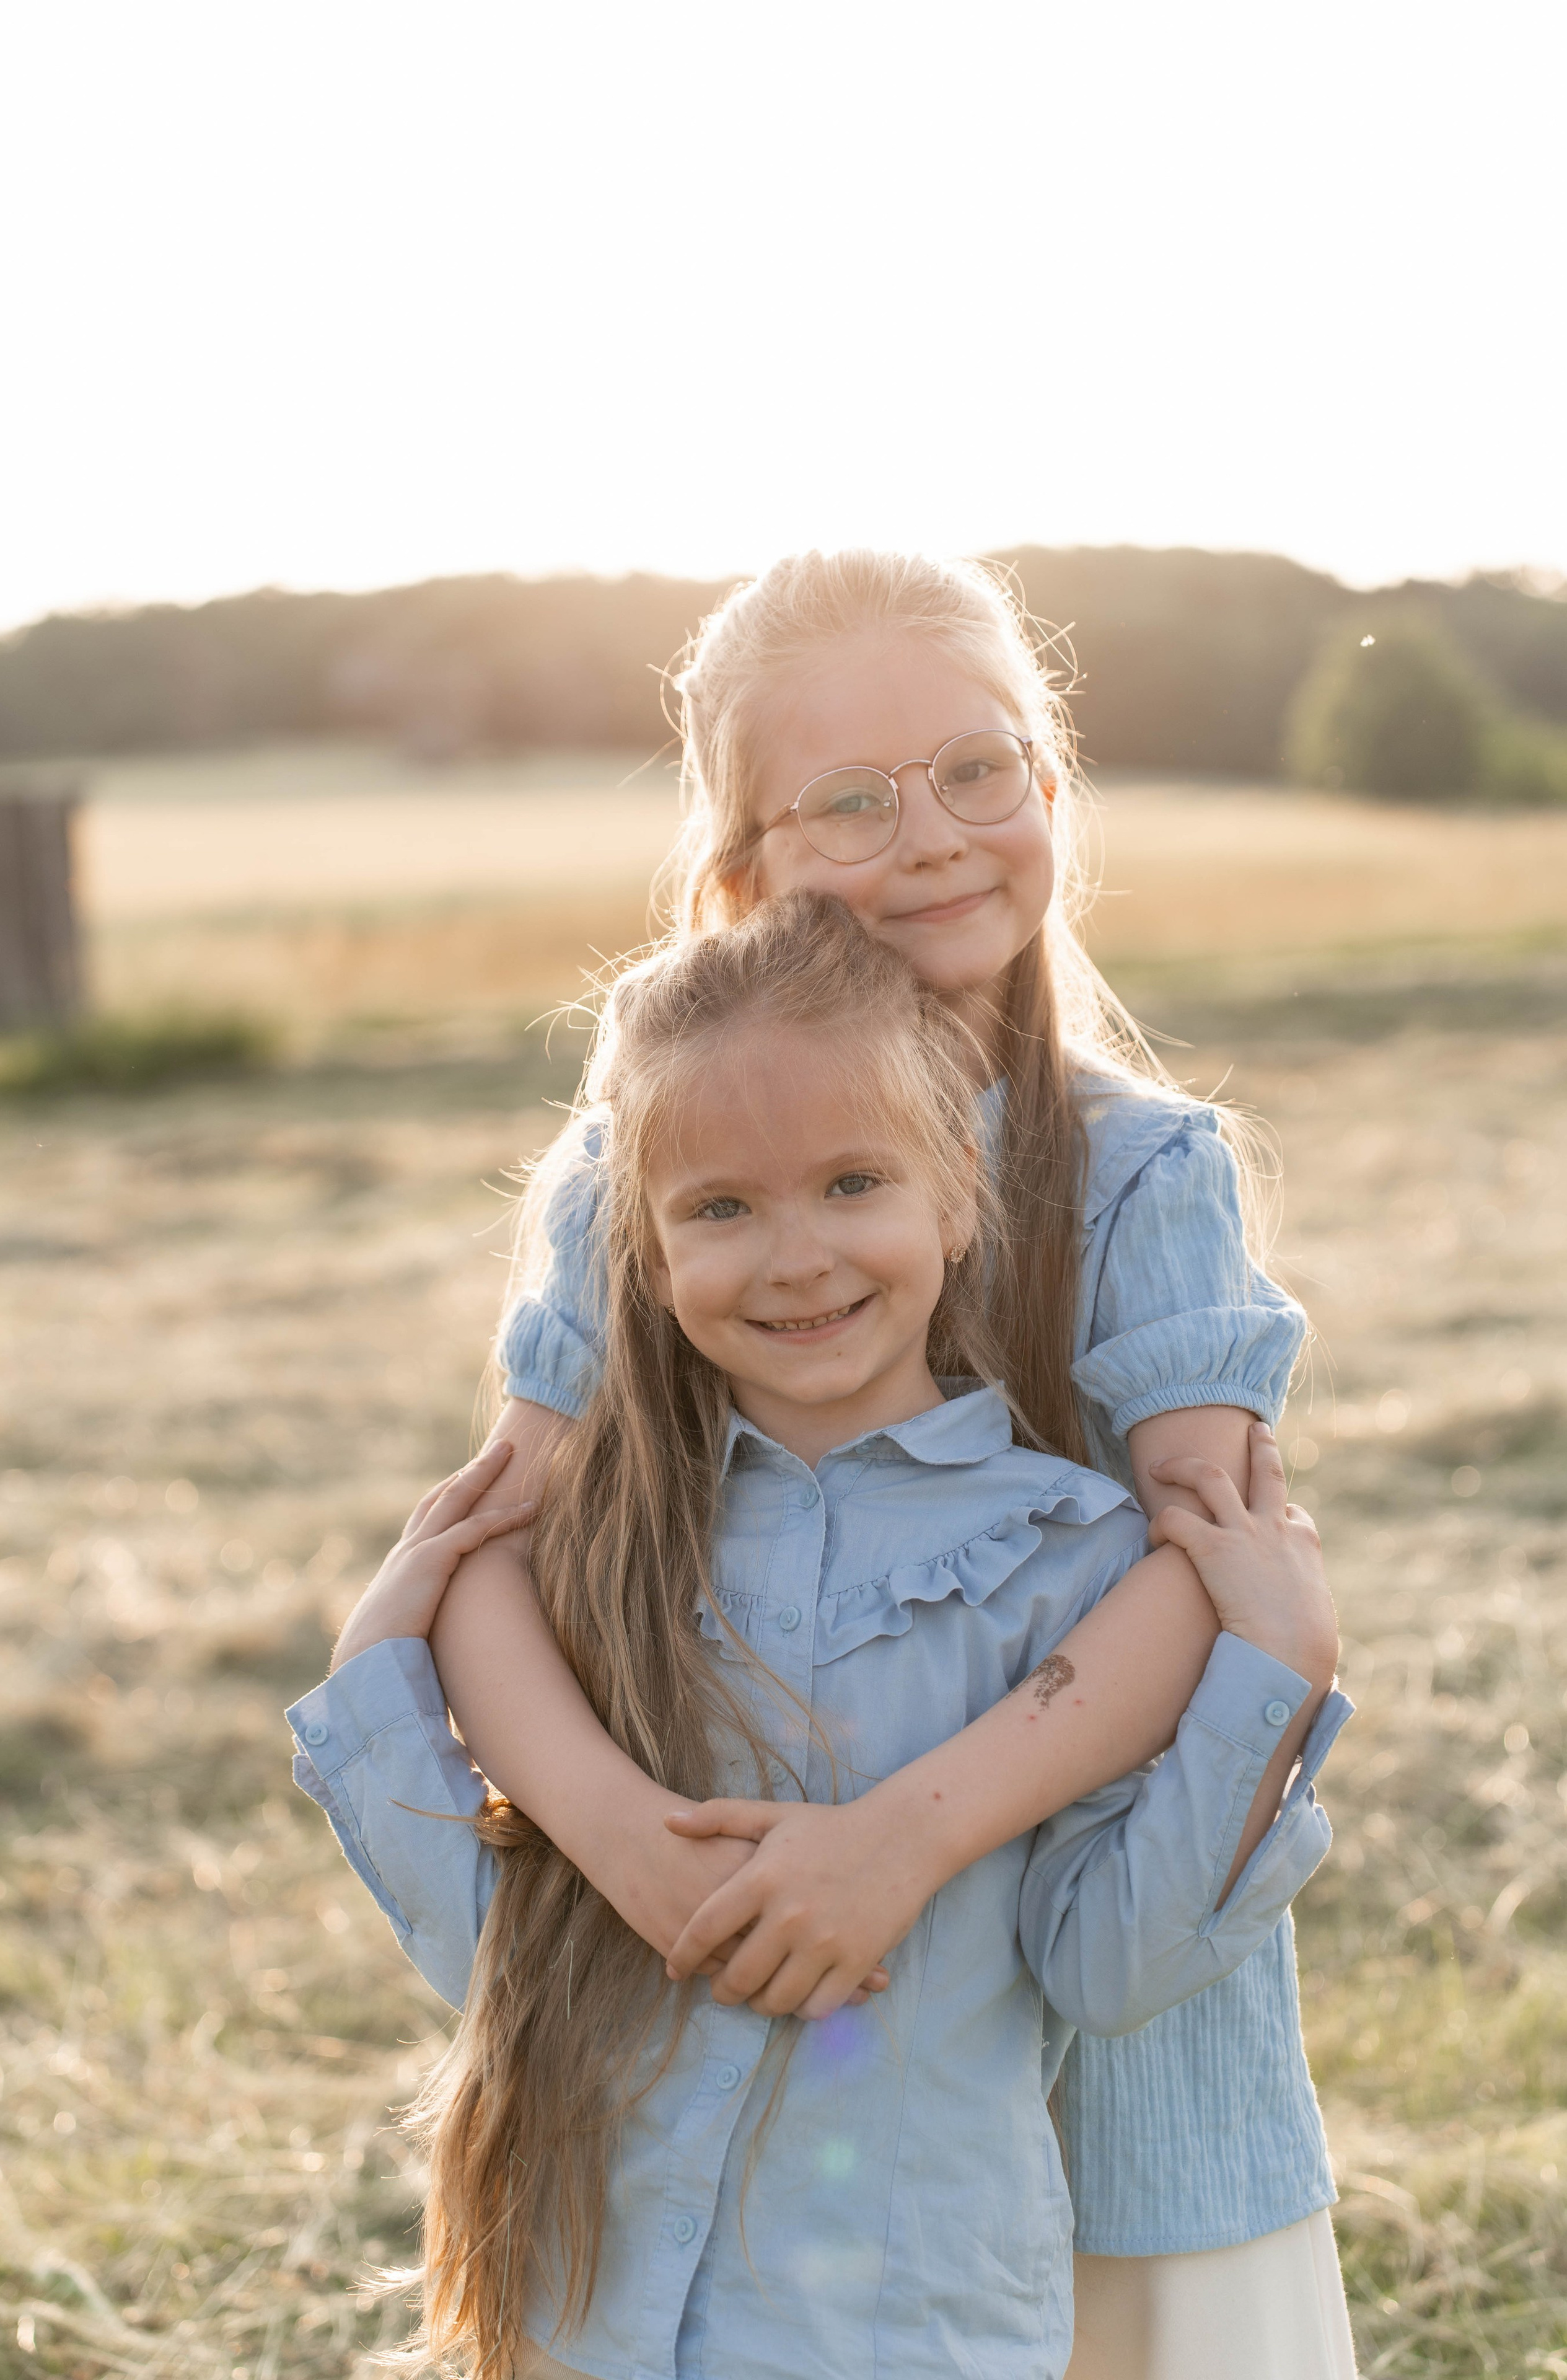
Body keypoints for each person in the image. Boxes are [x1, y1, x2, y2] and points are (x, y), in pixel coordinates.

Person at [427, 550, 1356, 2375]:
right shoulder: (636, 1174)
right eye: (851, 800)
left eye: (978, 768)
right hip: (765, 1977)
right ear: (742, 873)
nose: (929, 836)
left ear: (1055, 793)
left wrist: (900, 1843)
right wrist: (631, 1851)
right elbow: (500, 1557)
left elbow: (1211, 1568)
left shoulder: (1148, 1170)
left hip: (1105, 1940)